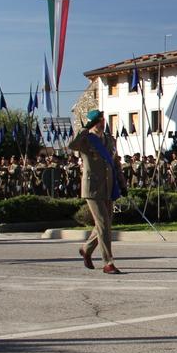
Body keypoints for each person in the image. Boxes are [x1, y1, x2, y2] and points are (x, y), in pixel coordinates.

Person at [68, 109, 125, 274]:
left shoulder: (109, 140)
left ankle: (86, 248)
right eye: (99, 120)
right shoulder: (86, 140)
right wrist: (84, 130)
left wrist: (122, 184)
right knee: (103, 223)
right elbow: (72, 146)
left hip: (108, 187)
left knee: (105, 224)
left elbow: (115, 162)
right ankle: (108, 262)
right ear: (93, 123)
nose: (103, 123)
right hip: (92, 188)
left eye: (103, 120)